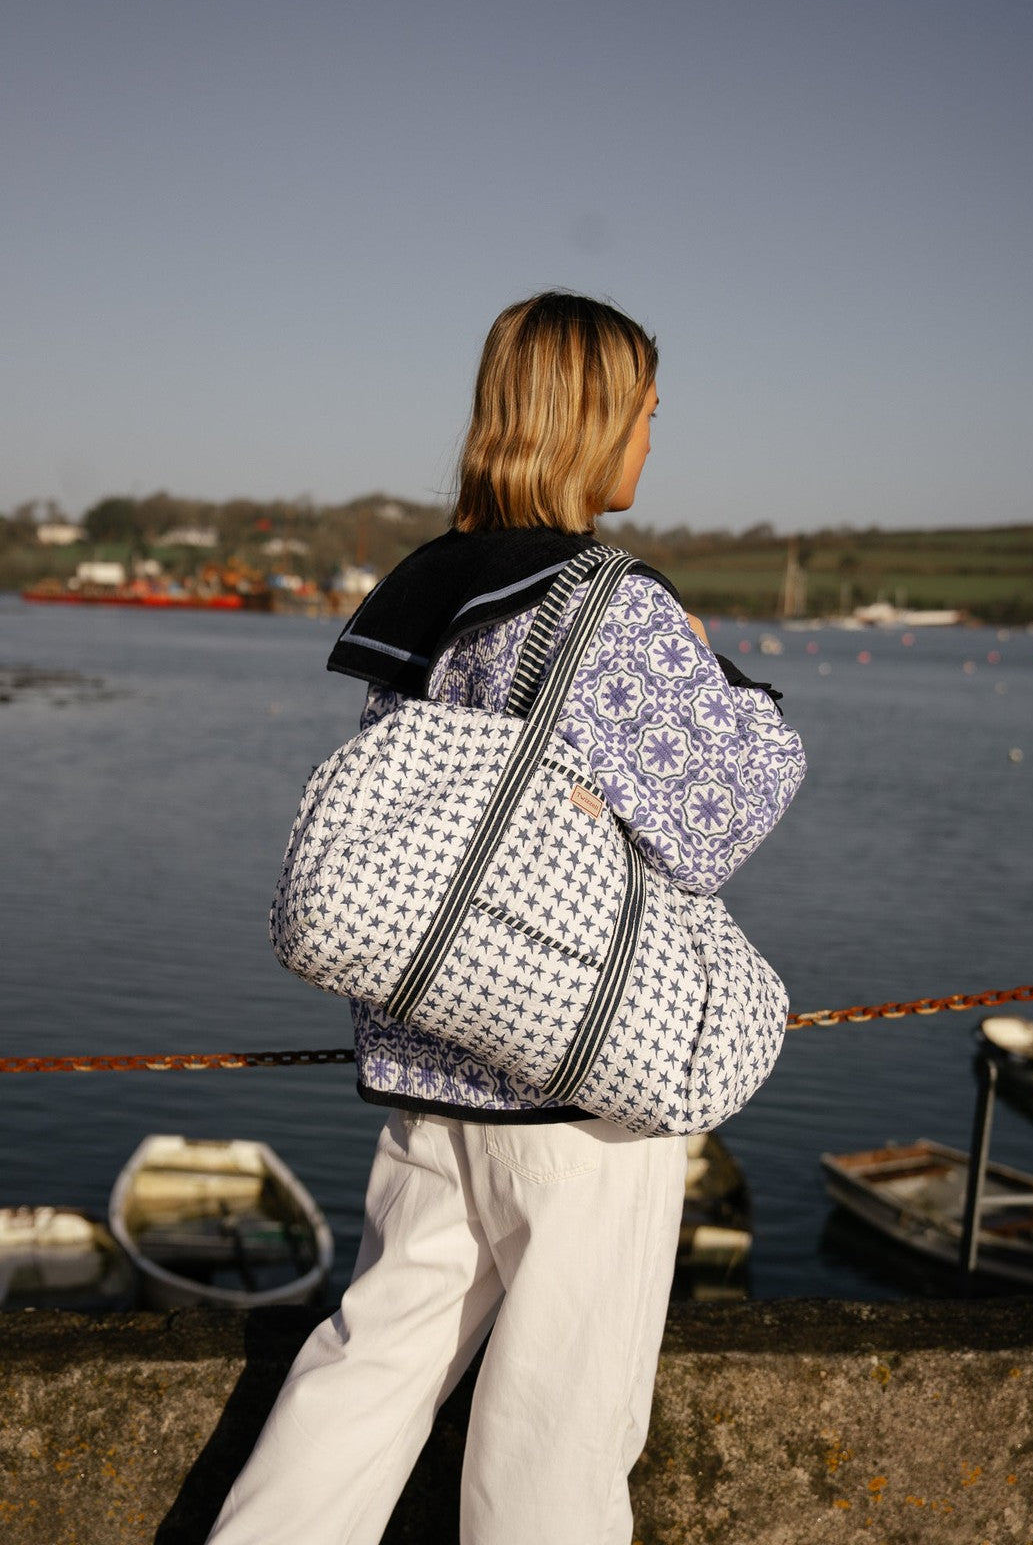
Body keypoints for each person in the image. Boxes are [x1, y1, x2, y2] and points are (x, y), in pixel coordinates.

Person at [207, 291, 805, 1545]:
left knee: (366, 1375)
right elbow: (725, 814)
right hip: (576, 1088)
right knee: (558, 1442)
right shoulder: (609, 602)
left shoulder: (437, 588)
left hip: (437, 1067)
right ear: (594, 420)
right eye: (644, 410)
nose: (654, 434)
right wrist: (724, 671)